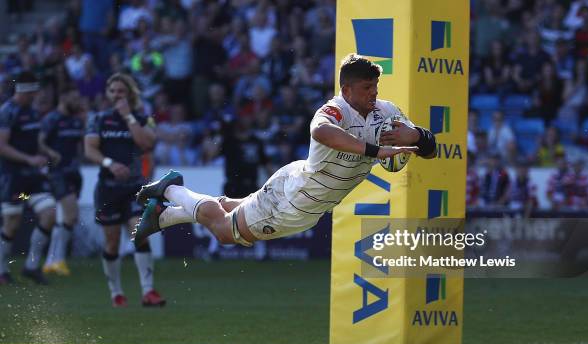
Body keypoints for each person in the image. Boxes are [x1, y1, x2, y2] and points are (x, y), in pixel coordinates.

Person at [132, 54, 436, 248]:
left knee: (233, 208)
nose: (374, 93)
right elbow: (322, 132)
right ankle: (172, 192)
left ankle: (164, 217)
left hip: (295, 178)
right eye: (367, 87)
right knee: (226, 233)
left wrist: (417, 136)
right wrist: (374, 151)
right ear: (346, 90)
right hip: (299, 202)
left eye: (376, 86)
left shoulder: (387, 111)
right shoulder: (335, 110)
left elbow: (429, 150)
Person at [84, 73, 165, 307]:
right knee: (111, 242)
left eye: (121, 91)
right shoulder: (98, 119)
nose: (117, 95)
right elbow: (90, 150)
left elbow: (147, 143)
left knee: (139, 233)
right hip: (108, 188)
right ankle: (116, 292)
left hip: (134, 188)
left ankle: (148, 291)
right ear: (108, 94)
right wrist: (109, 163)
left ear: (129, 93)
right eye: (113, 91)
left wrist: (128, 116)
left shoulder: (143, 118)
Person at [0, 71, 56, 285]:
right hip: (14, 180)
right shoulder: (7, 112)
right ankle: (2, 270)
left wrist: (48, 152)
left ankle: (31, 267)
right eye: (32, 92)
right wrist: (29, 159)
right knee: (12, 223)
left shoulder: (31, 112)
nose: (35, 96)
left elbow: (34, 141)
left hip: (32, 180)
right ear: (23, 92)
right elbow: (2, 146)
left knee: (49, 213)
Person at [38, 90, 85, 276]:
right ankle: (58, 260)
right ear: (63, 98)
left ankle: (52, 261)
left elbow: (79, 145)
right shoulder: (52, 119)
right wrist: (51, 154)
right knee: (71, 215)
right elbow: (39, 141)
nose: (77, 102)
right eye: (74, 98)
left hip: (73, 173)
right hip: (57, 173)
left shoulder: (76, 120)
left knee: (67, 217)